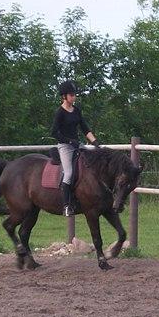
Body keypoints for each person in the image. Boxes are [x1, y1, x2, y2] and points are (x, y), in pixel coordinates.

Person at [51, 80, 100, 217]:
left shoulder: (76, 110)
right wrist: (69, 141)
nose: (74, 97)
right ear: (64, 96)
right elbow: (54, 133)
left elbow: (85, 128)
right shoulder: (60, 112)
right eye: (71, 95)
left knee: (93, 161)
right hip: (65, 146)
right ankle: (66, 205)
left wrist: (95, 142)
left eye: (74, 95)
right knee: (68, 173)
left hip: (78, 145)